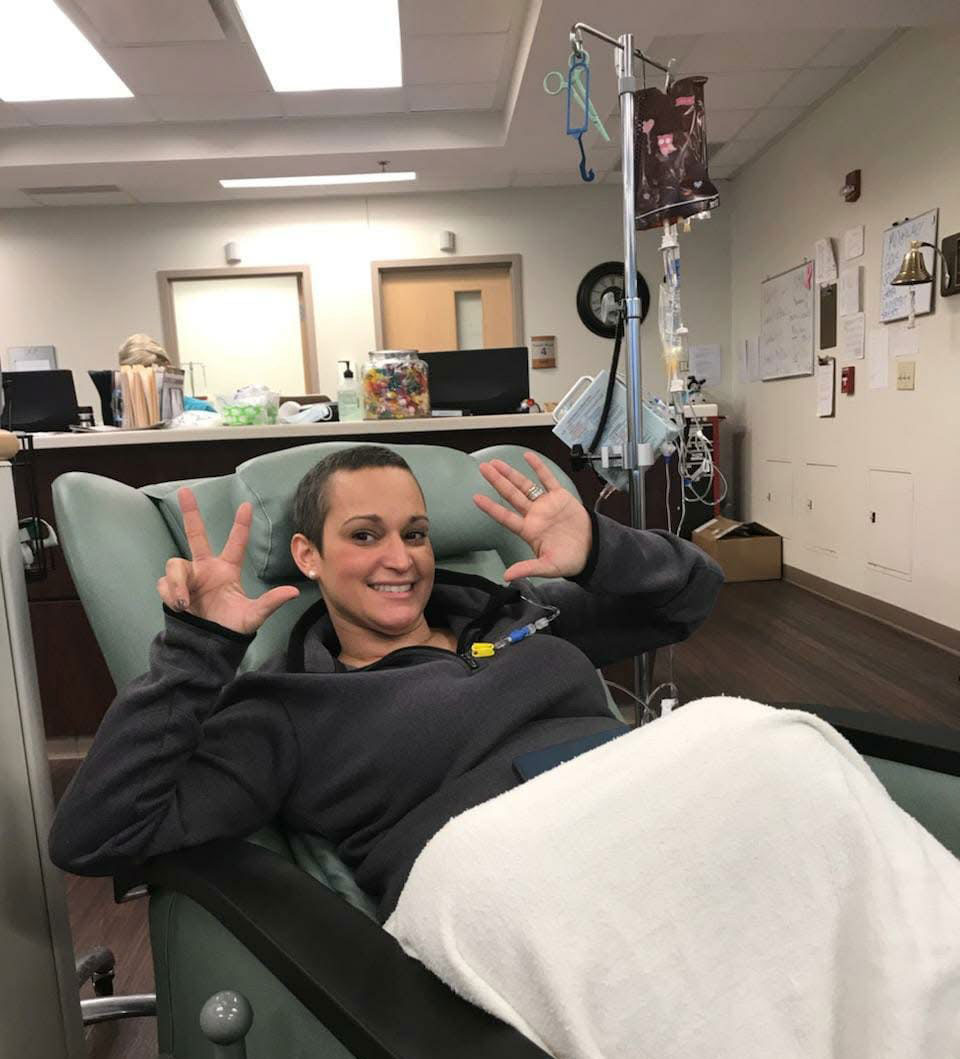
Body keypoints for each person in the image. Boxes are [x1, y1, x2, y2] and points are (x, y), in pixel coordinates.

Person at [49, 445, 723, 920]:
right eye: (365, 535)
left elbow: (692, 598)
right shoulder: (286, 709)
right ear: (307, 555)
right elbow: (94, 836)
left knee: (774, 741)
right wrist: (197, 651)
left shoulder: (519, 612)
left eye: (417, 533)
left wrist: (602, 550)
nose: (400, 558)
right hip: (513, 882)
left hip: (649, 813)